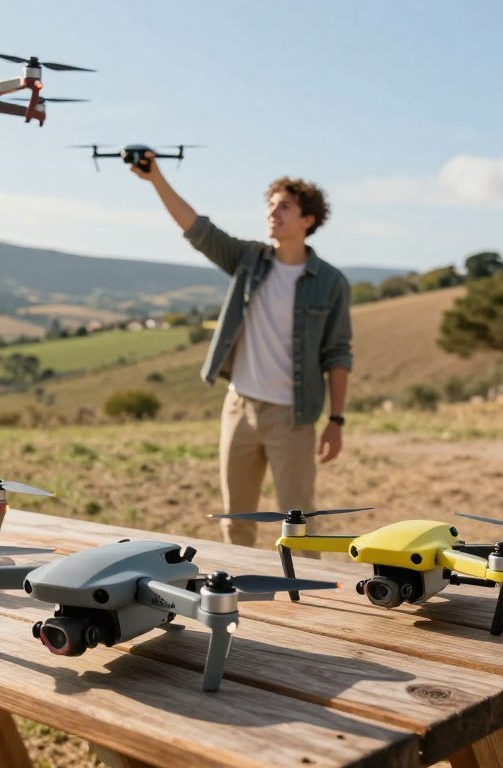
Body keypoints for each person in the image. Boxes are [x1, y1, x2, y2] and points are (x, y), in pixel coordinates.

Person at [132, 154, 352, 547]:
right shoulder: (249, 260)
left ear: (308, 220)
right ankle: (238, 599)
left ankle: (307, 602)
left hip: (294, 416)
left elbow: (338, 353)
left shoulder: (331, 282)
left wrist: (336, 420)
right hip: (239, 408)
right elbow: (198, 229)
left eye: (284, 206)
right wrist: (156, 179)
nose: (273, 213)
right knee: (235, 519)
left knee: (298, 524)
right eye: (270, 206)